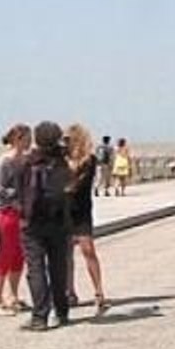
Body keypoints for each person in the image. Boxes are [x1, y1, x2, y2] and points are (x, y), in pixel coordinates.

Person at [19, 121, 72, 330]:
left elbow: (19, 192)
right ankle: (62, 310)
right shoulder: (62, 161)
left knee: (36, 269)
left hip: (33, 223)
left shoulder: (29, 162)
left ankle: (40, 316)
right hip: (60, 222)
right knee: (59, 268)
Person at [64, 124, 110, 315]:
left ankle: (99, 292)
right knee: (66, 254)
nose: (65, 143)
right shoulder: (61, 159)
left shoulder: (88, 160)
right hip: (64, 212)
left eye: (68, 139)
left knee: (88, 250)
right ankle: (69, 292)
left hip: (81, 210)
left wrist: (65, 186)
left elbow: (78, 185)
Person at [0, 123, 32, 316]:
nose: (30, 142)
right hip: (7, 213)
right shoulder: (4, 162)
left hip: (23, 214)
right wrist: (16, 196)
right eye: (27, 138)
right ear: (17, 138)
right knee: (5, 256)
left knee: (18, 256)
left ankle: (12, 296)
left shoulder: (25, 160)